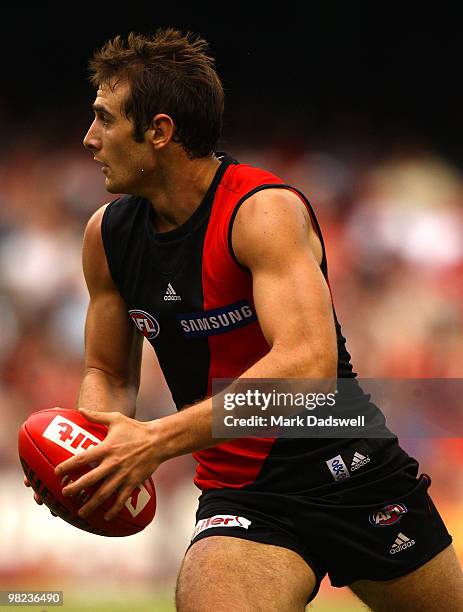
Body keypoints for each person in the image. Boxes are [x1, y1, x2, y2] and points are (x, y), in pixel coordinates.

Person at [26, 29, 463, 611]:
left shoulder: (263, 212)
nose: (89, 138)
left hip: (351, 470)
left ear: (159, 132)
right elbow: (108, 369)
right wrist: (99, 457)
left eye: (104, 119)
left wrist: (154, 441)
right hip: (242, 497)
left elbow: (307, 366)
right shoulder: (105, 236)